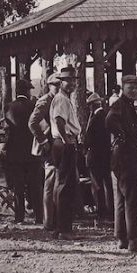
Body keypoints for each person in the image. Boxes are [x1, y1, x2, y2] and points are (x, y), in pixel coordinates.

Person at [105, 75, 137, 252]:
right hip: (124, 156)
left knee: (122, 197)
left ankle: (122, 238)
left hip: (124, 156)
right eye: (130, 88)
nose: (133, 91)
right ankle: (133, 240)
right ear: (123, 88)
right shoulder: (119, 105)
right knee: (133, 198)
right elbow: (110, 120)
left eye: (135, 88)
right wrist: (122, 136)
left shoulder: (127, 105)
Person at [48, 66, 81, 237]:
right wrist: (66, 139)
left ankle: (58, 226)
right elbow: (59, 120)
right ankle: (63, 228)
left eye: (74, 81)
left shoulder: (64, 99)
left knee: (62, 184)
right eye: (69, 81)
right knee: (65, 186)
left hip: (62, 141)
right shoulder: (61, 99)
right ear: (61, 82)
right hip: (64, 142)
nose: (72, 84)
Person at [5, 79, 43, 224]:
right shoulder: (33, 106)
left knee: (18, 187)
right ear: (27, 91)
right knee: (35, 186)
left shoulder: (9, 107)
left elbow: (7, 131)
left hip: (15, 153)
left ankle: (19, 216)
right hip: (32, 152)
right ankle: (39, 216)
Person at [29, 74, 61, 231]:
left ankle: (55, 219)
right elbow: (32, 123)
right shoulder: (45, 100)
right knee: (49, 184)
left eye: (60, 84)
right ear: (49, 85)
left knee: (55, 183)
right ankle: (48, 221)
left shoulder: (59, 99)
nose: (58, 87)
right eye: (56, 84)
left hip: (56, 145)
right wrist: (44, 141)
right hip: (48, 148)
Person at [84, 91, 113, 219]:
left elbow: (88, 138)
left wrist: (84, 149)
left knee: (97, 184)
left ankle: (101, 211)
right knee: (108, 183)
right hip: (107, 155)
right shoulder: (108, 116)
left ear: (92, 106)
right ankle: (111, 209)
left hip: (95, 156)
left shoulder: (94, 119)